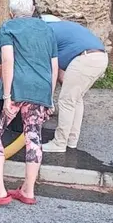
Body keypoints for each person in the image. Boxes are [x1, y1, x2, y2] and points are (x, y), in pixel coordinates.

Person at [0, 0, 57, 207]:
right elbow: (54, 65)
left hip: (16, 89)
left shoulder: (8, 27)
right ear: (32, 10)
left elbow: (7, 60)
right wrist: (49, 97)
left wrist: (6, 97)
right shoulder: (47, 29)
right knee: (33, 135)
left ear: (11, 13)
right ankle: (28, 190)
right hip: (40, 90)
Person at [40, 14, 108, 153]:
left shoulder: (47, 31)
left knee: (66, 101)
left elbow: (53, 71)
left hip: (85, 59)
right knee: (75, 99)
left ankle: (59, 143)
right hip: (100, 57)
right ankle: (71, 140)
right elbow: (61, 73)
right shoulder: (66, 29)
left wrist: (48, 99)